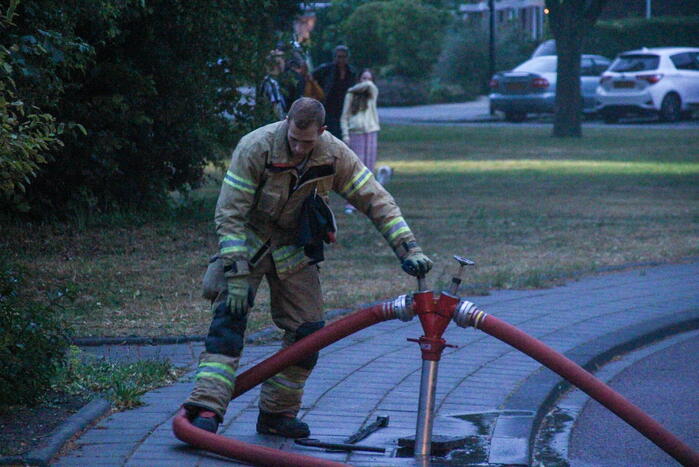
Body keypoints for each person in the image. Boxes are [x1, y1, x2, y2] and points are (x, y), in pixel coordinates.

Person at [183, 97, 433, 438]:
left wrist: (409, 249)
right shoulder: (256, 147)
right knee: (229, 322)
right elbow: (229, 215)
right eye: (294, 139)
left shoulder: (334, 154)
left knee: (308, 335)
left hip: (294, 248)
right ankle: (206, 408)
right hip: (248, 246)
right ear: (286, 122)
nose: (299, 148)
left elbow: (376, 199)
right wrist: (236, 273)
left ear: (323, 132)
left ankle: (277, 414)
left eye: (308, 142)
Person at [340, 69, 380, 214]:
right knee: (355, 169)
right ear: (359, 79)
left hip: (370, 132)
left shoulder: (372, 92)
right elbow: (344, 117)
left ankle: (367, 202)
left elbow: (370, 87)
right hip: (355, 133)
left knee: (369, 169)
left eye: (369, 78)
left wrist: (356, 87)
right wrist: (345, 135)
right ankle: (351, 203)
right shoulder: (350, 95)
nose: (366, 81)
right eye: (363, 78)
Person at [312, 45, 356, 138]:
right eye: (339, 57)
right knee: (331, 129)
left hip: (344, 104)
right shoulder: (326, 69)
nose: (341, 60)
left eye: (344, 57)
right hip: (329, 104)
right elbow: (312, 77)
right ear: (335, 57)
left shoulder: (351, 71)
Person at [259, 50, 286, 120]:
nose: (284, 63)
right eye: (282, 60)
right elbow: (277, 108)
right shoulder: (272, 83)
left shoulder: (268, 81)